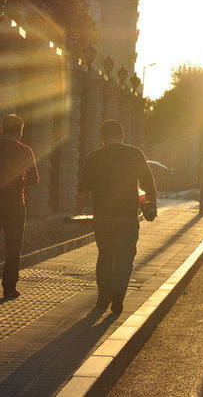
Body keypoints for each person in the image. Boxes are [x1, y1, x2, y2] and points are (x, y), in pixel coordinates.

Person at [75, 119, 157, 314]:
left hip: (102, 216)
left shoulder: (94, 157)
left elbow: (83, 188)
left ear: (102, 137)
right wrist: (149, 206)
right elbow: (148, 184)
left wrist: (77, 212)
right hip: (127, 216)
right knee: (125, 256)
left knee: (105, 255)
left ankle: (103, 298)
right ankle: (118, 291)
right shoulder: (135, 154)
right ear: (123, 134)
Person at [0, 114, 39, 299]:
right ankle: (9, 288)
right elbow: (34, 179)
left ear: (2, 128)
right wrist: (16, 184)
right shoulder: (25, 150)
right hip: (14, 205)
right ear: (20, 131)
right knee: (13, 249)